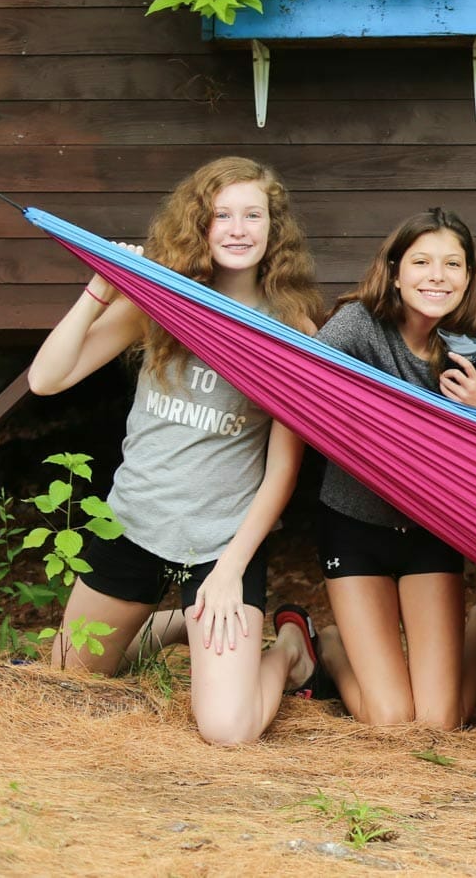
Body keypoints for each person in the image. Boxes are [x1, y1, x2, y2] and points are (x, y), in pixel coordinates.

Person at [27, 156, 323, 745]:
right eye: (222, 216)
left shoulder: (294, 332)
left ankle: (290, 649)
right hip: (133, 524)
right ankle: (174, 627)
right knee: (65, 682)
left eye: (253, 216)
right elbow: (46, 379)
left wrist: (230, 570)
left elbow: (281, 472)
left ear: (274, 229)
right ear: (201, 225)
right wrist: (99, 290)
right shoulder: (161, 303)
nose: (238, 229)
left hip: (220, 544)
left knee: (228, 730)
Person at [308, 209, 476, 730]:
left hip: (430, 531)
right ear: (395, 272)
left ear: (468, 277)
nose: (437, 276)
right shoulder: (359, 326)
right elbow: (303, 383)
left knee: (440, 721)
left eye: (452, 264)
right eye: (421, 262)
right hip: (354, 524)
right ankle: (328, 647)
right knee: (391, 718)